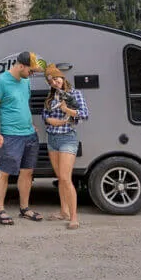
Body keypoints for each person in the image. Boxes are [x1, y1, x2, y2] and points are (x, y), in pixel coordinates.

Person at [0, 50, 45, 225]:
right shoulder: (1, 81)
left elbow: (23, 102)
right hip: (10, 135)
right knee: (4, 172)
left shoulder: (26, 81)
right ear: (21, 66)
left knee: (27, 172)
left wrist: (30, 122)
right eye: (31, 70)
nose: (32, 74)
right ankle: (0, 211)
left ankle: (24, 208)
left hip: (29, 134)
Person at [41, 64, 88, 230]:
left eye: (56, 78)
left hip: (68, 138)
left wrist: (66, 108)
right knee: (60, 178)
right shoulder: (50, 97)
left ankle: (74, 217)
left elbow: (84, 114)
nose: (54, 82)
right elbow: (46, 118)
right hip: (52, 139)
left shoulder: (75, 94)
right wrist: (63, 120)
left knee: (66, 178)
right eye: (51, 81)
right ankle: (64, 212)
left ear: (62, 77)